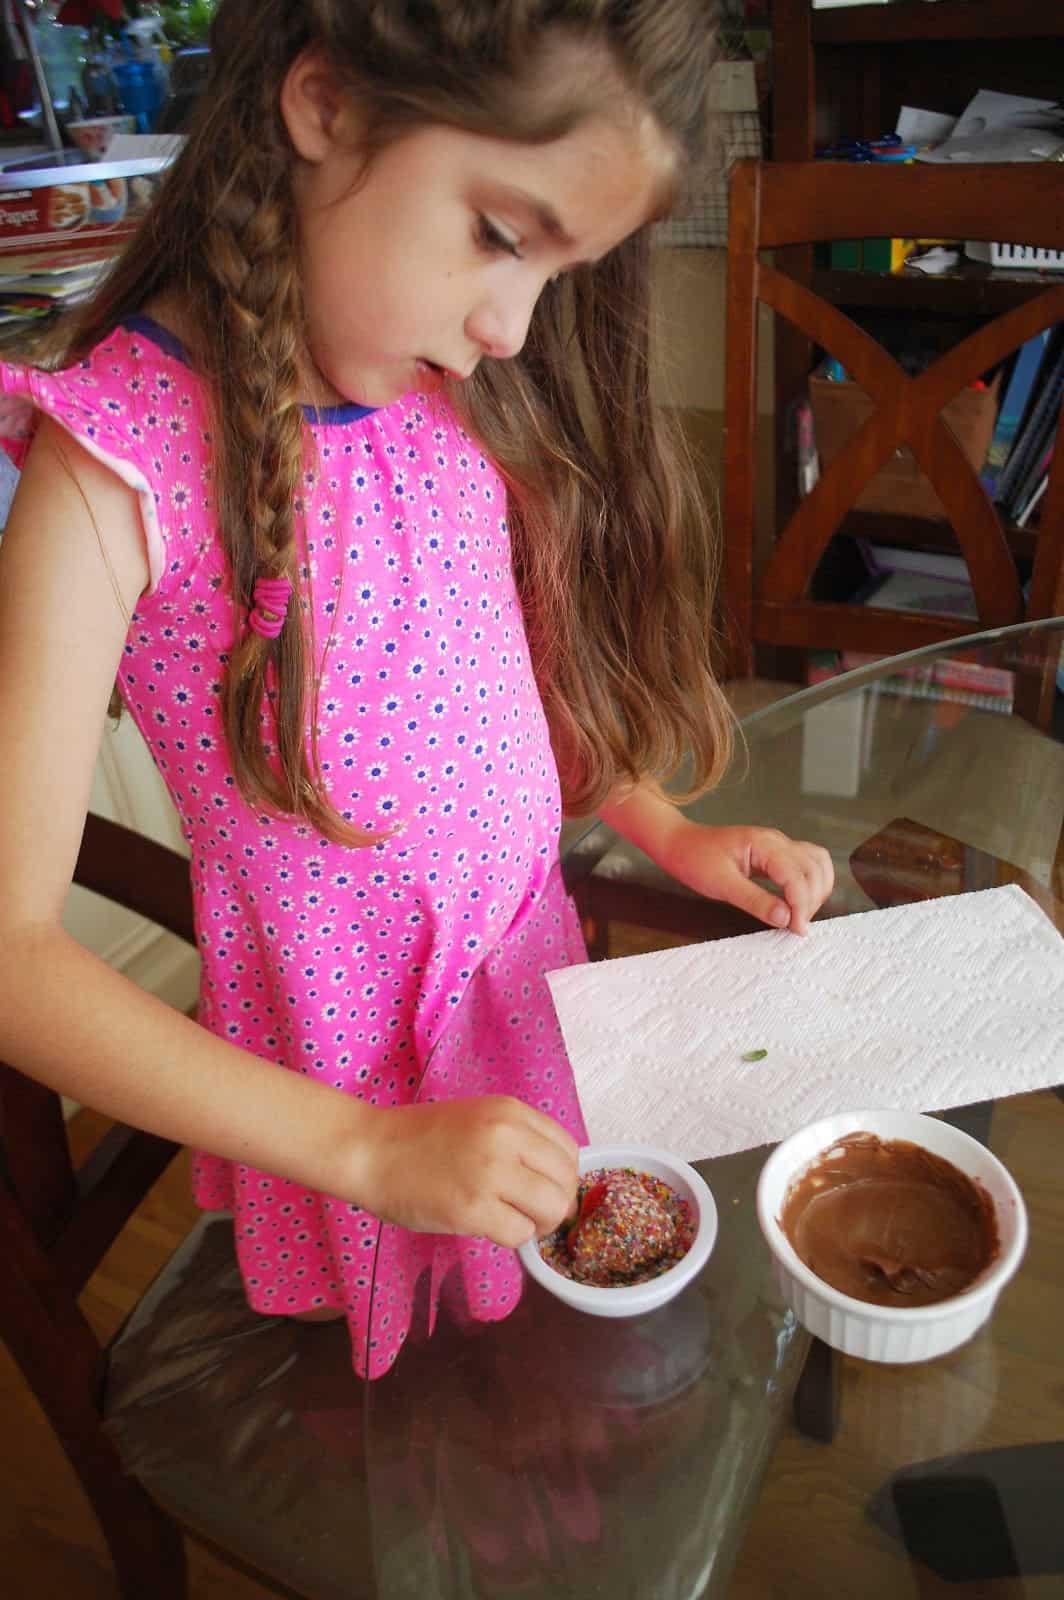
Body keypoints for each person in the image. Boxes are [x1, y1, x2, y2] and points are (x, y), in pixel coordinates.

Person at [0, 0, 833, 1378]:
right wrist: (367, 1150)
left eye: (557, 274)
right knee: (428, 1414)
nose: (513, 326)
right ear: (324, 105)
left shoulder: (444, 389)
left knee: (550, 1352)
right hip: (339, 1095)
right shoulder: (114, 464)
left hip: (525, 1005)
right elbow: (14, 958)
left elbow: (491, 701)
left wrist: (664, 829)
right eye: (502, 237)